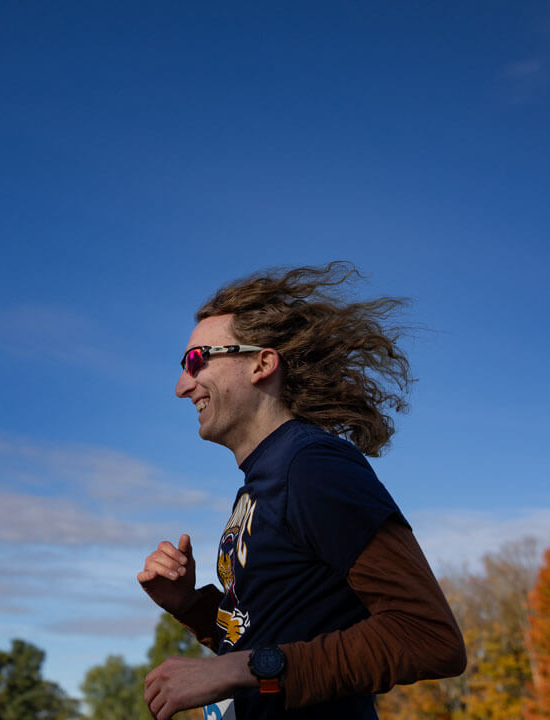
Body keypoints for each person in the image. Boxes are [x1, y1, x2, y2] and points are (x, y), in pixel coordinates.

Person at [139, 262, 467, 720]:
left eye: (196, 361)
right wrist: (191, 605)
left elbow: (429, 638)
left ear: (262, 363)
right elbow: (264, 637)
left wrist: (243, 669)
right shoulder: (264, 481)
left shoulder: (313, 467)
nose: (181, 386)